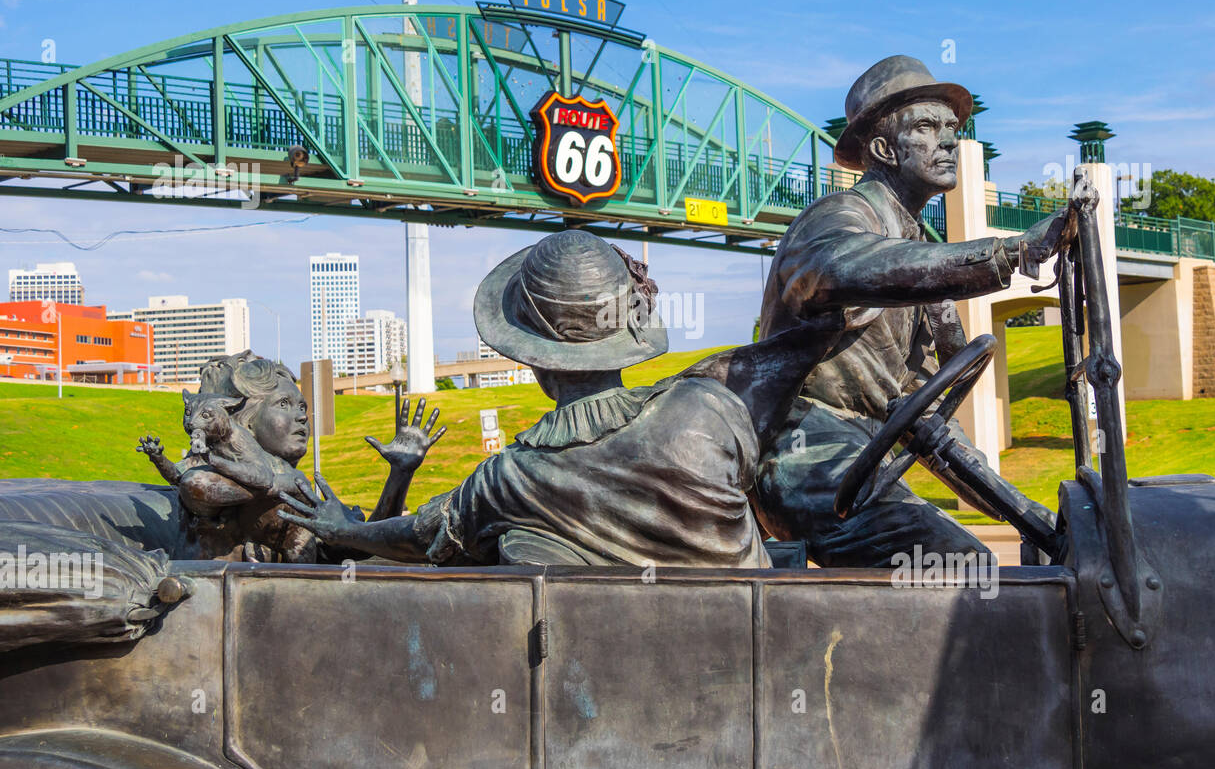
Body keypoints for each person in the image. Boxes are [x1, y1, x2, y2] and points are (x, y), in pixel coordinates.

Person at [279, 229, 825, 569]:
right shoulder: (711, 410)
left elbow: (420, 535)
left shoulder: (511, 480)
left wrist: (344, 530)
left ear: (534, 361)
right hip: (754, 662)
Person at [756, 55, 1066, 567]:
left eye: (951, 128)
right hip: (805, 454)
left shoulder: (914, 246)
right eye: (926, 126)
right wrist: (1009, 253)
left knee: (992, 565)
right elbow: (838, 267)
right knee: (963, 567)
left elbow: (925, 416)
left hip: (858, 457)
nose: (948, 141)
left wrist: (1026, 515)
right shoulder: (840, 217)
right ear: (882, 149)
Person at [152, 351, 443, 561]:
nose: (301, 416)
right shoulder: (214, 479)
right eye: (284, 404)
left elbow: (356, 542)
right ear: (247, 420)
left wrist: (400, 474)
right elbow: (197, 488)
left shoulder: (292, 482)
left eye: (302, 407)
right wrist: (280, 483)